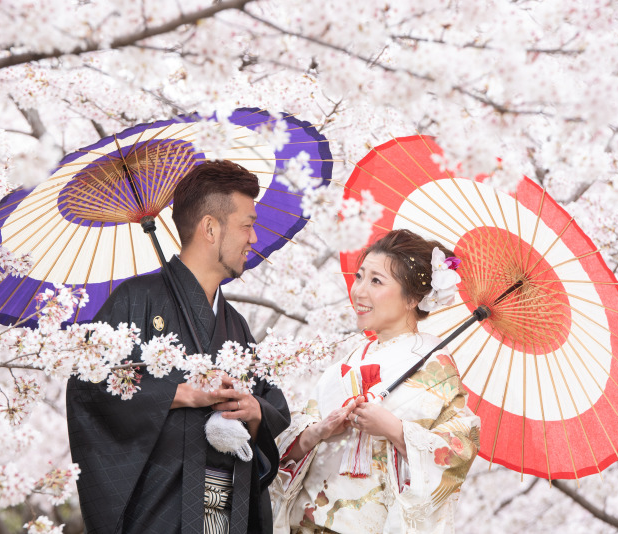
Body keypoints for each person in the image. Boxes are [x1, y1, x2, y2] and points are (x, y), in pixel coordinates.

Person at [66, 160, 291, 534]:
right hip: (160, 512)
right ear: (209, 228)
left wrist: (253, 410)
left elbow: (273, 404)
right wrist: (181, 392)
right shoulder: (135, 301)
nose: (254, 238)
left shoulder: (235, 324)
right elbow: (88, 387)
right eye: (247, 226)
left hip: (227, 515)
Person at [270, 229, 480, 533]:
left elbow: (460, 450)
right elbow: (289, 447)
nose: (359, 291)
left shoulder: (434, 365)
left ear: (412, 298)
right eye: (360, 276)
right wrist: (317, 432)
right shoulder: (346, 362)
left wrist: (394, 429)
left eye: (376, 281)